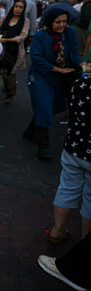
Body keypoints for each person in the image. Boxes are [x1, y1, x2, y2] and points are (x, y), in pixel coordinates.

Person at [24, 6, 84, 160]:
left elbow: (74, 53)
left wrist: (82, 65)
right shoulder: (40, 35)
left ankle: (30, 132)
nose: (61, 25)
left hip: (60, 78)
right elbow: (36, 59)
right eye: (58, 22)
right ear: (49, 22)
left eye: (64, 21)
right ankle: (43, 146)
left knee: (52, 107)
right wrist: (57, 69)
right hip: (41, 76)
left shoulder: (69, 33)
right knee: (44, 106)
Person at [46, 67, 91, 246]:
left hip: (74, 147)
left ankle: (57, 230)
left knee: (67, 187)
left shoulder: (81, 83)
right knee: (89, 198)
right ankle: (85, 244)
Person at [0, 0, 30, 105]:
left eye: (20, 7)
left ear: (23, 9)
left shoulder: (25, 21)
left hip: (13, 53)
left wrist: (8, 40)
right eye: (16, 6)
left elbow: (22, 37)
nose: (17, 9)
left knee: (8, 77)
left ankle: (10, 93)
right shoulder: (5, 18)